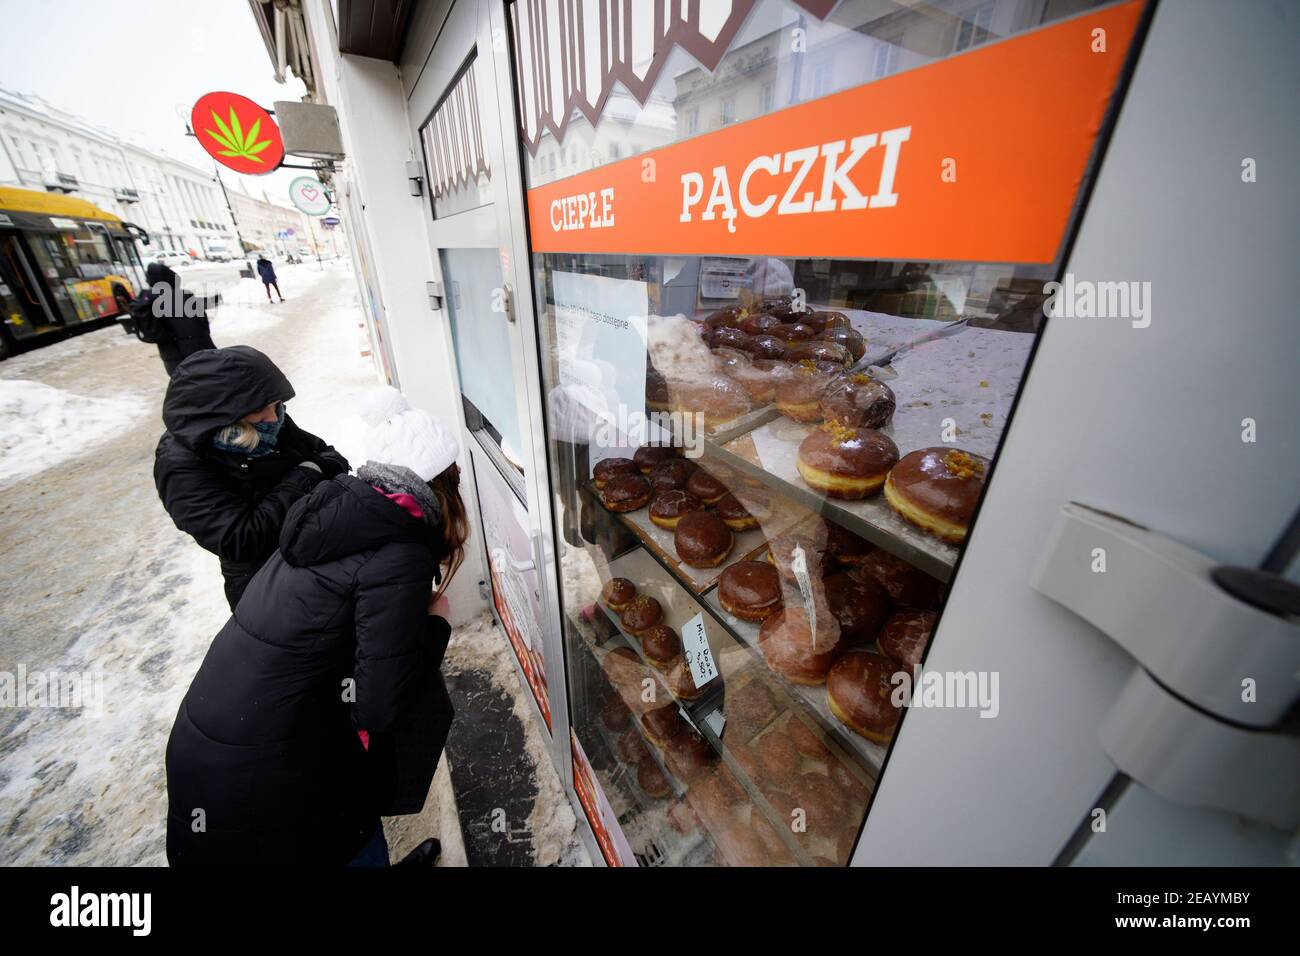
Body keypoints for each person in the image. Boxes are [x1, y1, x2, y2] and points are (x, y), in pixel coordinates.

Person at [165, 386, 466, 867]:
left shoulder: (338, 511)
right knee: (348, 849)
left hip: (213, 750)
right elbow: (379, 706)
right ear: (440, 484)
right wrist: (435, 626)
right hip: (269, 785)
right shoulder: (399, 554)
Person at [154, 346, 350, 610]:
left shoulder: (268, 421)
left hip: (317, 554)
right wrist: (306, 476)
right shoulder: (181, 463)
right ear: (220, 414)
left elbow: (328, 456)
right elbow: (240, 539)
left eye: (276, 405)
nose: (273, 417)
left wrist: (313, 471)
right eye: (260, 409)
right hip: (266, 585)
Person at [130, 262, 218, 375]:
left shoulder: (148, 299)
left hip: (171, 357)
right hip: (199, 353)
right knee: (211, 383)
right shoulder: (184, 296)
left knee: (187, 387)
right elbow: (203, 324)